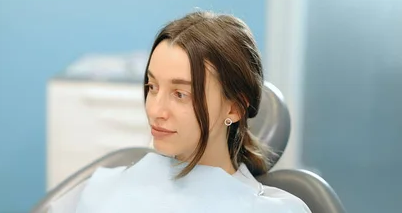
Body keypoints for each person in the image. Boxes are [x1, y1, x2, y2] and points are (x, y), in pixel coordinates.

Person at [48, 11, 311, 212]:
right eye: (152, 87)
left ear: (235, 107)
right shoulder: (105, 186)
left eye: (180, 94)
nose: (155, 110)